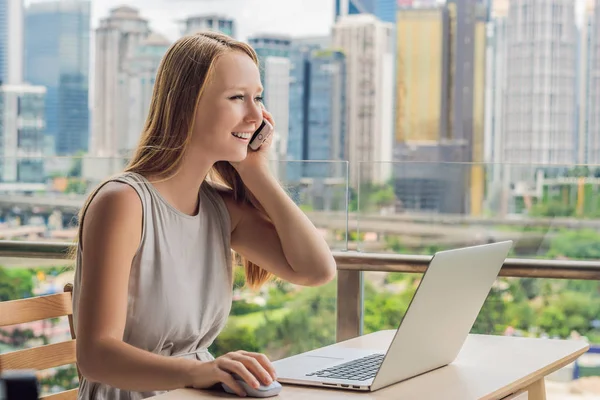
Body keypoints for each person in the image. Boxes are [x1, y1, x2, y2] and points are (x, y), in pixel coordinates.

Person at [72, 31, 337, 400]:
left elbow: (316, 270)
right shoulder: (123, 203)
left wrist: (256, 172)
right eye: (236, 98)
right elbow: (96, 357)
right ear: (186, 105)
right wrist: (200, 371)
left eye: (257, 98)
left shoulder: (220, 209)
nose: (256, 115)